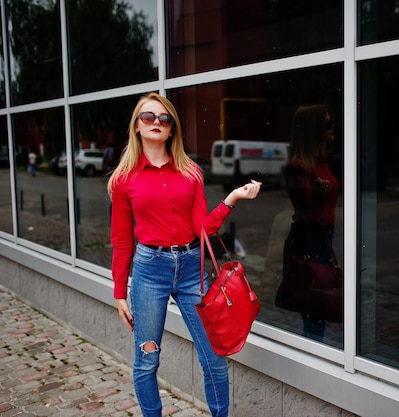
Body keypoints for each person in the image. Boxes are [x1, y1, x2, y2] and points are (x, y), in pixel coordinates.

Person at [107, 92, 261, 417]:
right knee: (147, 361)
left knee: (214, 358)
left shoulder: (190, 172)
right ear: (137, 125)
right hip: (149, 273)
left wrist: (232, 198)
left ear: (172, 128)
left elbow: (203, 229)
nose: (157, 123)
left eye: (165, 119)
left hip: (192, 270)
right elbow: (121, 239)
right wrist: (120, 290)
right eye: (149, 117)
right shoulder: (124, 180)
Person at [280, 104, 340, 341]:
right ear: (313, 129)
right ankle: (313, 348)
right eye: (327, 124)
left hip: (322, 235)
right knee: (314, 302)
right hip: (309, 239)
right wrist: (320, 192)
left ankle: (315, 345)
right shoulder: (299, 167)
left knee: (320, 300)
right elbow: (307, 212)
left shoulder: (320, 162)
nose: (333, 127)